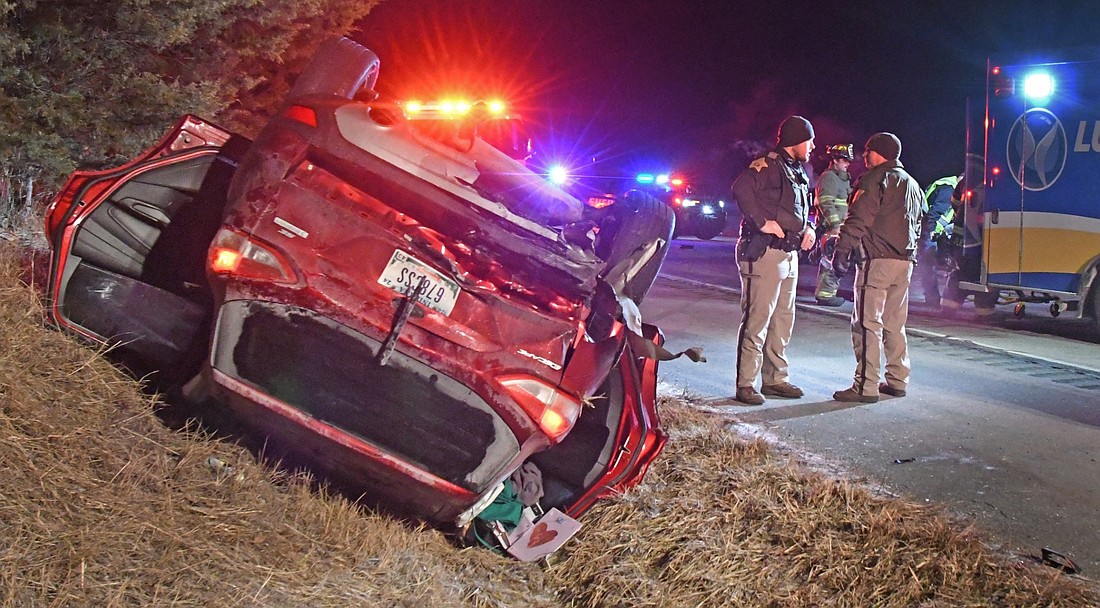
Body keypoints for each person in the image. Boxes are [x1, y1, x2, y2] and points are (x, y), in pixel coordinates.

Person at [729, 115, 817, 405]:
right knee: (758, 320)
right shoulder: (768, 164)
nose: (813, 146)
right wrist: (762, 222)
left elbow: (798, 209)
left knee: (782, 321)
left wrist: (809, 229)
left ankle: (776, 379)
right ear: (796, 140)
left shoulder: (797, 170)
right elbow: (741, 189)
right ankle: (746, 384)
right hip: (765, 252)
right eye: (809, 140)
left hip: (789, 254)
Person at [830, 133, 923, 403]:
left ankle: (865, 386)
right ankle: (897, 380)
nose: (864, 157)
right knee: (895, 323)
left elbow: (859, 218)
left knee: (867, 323)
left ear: (880, 153)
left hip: (877, 261)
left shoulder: (876, 179)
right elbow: (918, 224)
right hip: (904, 262)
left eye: (868, 152)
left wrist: (842, 249)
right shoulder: (913, 184)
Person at [814, 144, 856, 306]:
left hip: (840, 227)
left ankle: (828, 292)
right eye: (844, 160)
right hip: (831, 228)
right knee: (830, 261)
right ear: (835, 160)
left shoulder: (842, 179)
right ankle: (825, 295)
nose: (847, 164)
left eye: (848, 161)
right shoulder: (829, 177)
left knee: (837, 260)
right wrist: (835, 225)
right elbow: (825, 203)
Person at [914, 173, 961, 307]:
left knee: (929, 261)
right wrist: (931, 234)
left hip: (930, 228)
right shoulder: (949, 190)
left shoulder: (947, 185)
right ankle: (932, 299)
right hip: (928, 229)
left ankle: (932, 297)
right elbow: (935, 215)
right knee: (928, 261)